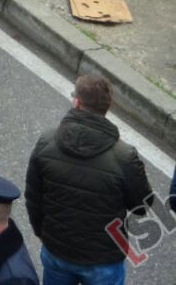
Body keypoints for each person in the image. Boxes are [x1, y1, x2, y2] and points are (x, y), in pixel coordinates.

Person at [25, 75, 154, 284]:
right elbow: (142, 206)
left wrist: (45, 235)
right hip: (103, 260)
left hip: (57, 251)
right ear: (108, 106)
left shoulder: (46, 141)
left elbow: (33, 198)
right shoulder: (124, 156)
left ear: (76, 102)